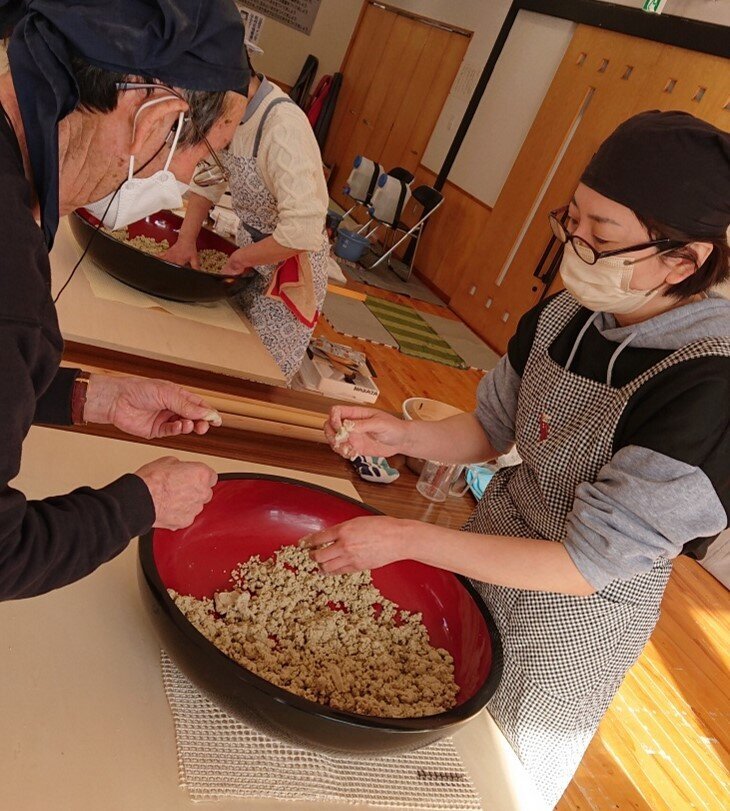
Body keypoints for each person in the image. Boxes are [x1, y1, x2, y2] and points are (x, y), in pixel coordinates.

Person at [306, 111, 730, 807]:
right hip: (491, 547)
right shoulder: (568, 313)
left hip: (573, 618)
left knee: (488, 776)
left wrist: (407, 536)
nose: (577, 246)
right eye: (575, 221)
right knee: (420, 722)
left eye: (603, 236)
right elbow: (490, 428)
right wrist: (399, 435)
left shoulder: (707, 386)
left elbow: (582, 564)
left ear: (683, 261)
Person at [0, 0, 253, 601]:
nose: (189, 183)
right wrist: (142, 501)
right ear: (157, 121)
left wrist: (88, 396)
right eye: (205, 157)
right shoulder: (10, 282)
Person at [160, 66, 330, 381]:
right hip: (249, 252)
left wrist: (241, 258)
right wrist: (186, 240)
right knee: (228, 348)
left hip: (291, 268)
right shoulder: (229, 110)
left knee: (259, 371)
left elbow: (301, 231)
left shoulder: (283, 127)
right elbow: (207, 179)